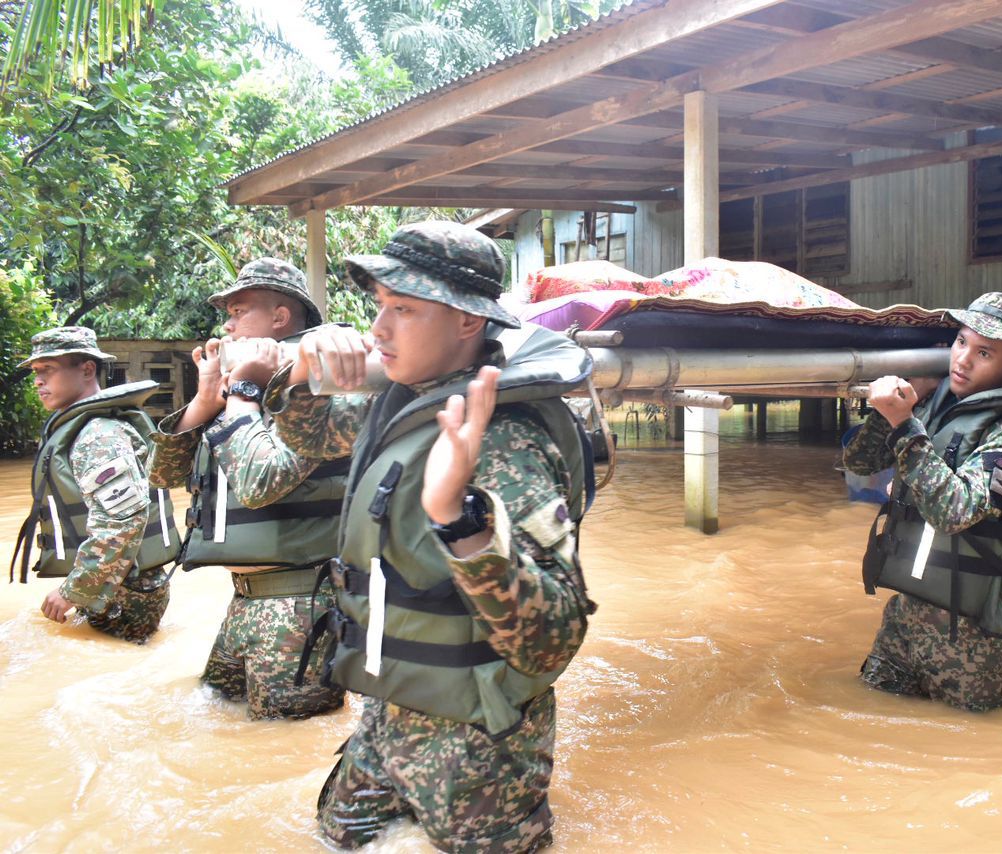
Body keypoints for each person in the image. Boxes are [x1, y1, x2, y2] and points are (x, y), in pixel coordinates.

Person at [265, 221, 595, 850]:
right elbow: (309, 439)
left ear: (469, 322)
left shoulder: (505, 438)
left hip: (475, 751)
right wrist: (301, 373)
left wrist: (458, 518)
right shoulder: (401, 400)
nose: (379, 329)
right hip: (385, 719)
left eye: (405, 309)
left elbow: (552, 641)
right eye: (380, 307)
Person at [845, 293, 1002, 712]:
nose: (963, 360)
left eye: (984, 352)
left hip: (974, 643)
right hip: (904, 622)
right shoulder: (939, 405)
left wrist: (905, 426)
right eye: (960, 342)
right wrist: (891, 413)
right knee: (866, 718)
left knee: (969, 753)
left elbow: (955, 512)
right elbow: (860, 463)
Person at [148, 258, 346, 719]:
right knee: (218, 718)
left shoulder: (313, 382)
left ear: (280, 318)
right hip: (247, 597)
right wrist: (204, 399)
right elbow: (163, 477)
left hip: (299, 603)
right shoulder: (240, 386)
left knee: (282, 742)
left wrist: (246, 394)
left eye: (239, 311)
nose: (227, 324)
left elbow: (260, 485)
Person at [11, 326, 178, 642]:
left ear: (87, 369)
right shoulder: (86, 428)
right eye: (35, 372)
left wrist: (73, 591)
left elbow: (123, 521)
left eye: (47, 370)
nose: (37, 381)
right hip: (118, 582)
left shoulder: (99, 435)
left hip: (125, 591)